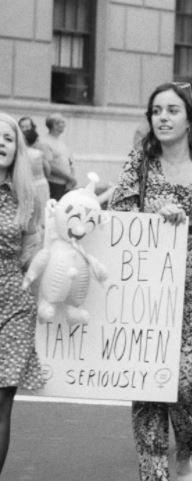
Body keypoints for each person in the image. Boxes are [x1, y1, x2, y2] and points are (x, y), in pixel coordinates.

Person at [109, 82, 192, 481]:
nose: (162, 117)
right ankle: (153, 474)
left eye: (172, 110)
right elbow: (117, 218)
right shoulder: (138, 164)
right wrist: (153, 216)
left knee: (188, 381)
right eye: (156, 110)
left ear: (191, 118)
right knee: (146, 383)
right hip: (148, 285)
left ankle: (185, 456)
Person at [0, 112, 43, 475]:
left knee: (1, 403)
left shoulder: (27, 197)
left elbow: (32, 253)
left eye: (8, 138)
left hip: (14, 305)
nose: (1, 142)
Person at [42, 113, 77, 200]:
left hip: (65, 184)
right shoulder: (45, 142)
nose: (64, 125)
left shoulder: (60, 141)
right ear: (54, 125)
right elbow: (50, 166)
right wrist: (69, 178)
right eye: (62, 122)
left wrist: (71, 178)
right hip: (54, 185)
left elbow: (69, 161)